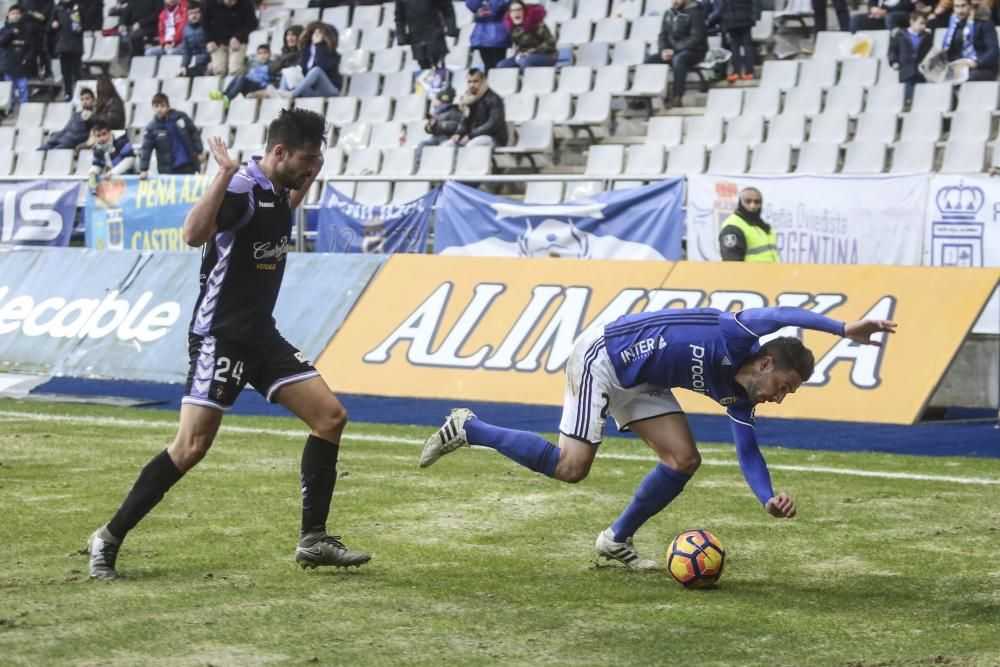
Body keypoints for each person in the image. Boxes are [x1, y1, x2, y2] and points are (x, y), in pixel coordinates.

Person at [86, 108, 370, 580]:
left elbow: (280, 210)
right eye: (306, 157)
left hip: (260, 334)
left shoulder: (277, 189)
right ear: (279, 152)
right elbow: (193, 233)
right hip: (220, 337)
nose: (311, 164)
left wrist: (309, 178)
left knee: (330, 417)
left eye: (317, 158)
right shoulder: (240, 188)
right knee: (191, 446)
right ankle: (108, 537)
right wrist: (222, 176)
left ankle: (313, 540)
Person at [421, 307, 897, 569]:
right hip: (604, 357)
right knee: (572, 468)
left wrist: (767, 497)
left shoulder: (741, 397)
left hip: (644, 381)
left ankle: (615, 541)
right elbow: (780, 313)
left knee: (683, 460)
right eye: (784, 388)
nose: (780, 398)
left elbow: (747, 452)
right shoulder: (737, 335)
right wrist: (842, 328)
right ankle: (468, 426)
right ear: (768, 365)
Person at [644, 0, 707, 107]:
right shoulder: (668, 13)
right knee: (649, 61)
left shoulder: (696, 13)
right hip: (673, 51)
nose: (675, 1)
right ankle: (646, 98)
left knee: (679, 59)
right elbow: (663, 36)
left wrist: (675, 51)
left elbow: (696, 38)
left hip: (695, 51)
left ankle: (677, 97)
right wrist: (663, 50)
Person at [138, 92, 204, 177]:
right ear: (153, 108)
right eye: (156, 106)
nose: (159, 109)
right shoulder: (152, 128)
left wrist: (199, 152)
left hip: (188, 165)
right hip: (168, 169)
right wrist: (144, 169)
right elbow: (146, 149)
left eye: (162, 106)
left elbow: (194, 133)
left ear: (168, 106)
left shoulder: (181, 117)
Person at [443, 68, 507, 148]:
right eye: (469, 82)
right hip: (473, 136)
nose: (472, 85)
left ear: (483, 81)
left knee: (471, 146)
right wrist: (459, 134)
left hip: (494, 138)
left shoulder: (494, 99)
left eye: (475, 81)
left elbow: (493, 124)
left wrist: (471, 135)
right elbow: (465, 122)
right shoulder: (469, 99)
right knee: (447, 146)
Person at [279, 22, 340, 99]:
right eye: (315, 32)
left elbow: (322, 66)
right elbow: (303, 71)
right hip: (314, 92)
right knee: (288, 72)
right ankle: (281, 94)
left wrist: (319, 45)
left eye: (320, 32)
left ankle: (292, 94)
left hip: (330, 90)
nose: (317, 35)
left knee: (316, 70)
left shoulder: (331, 52)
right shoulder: (307, 51)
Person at [940, 0, 999, 81]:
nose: (960, 11)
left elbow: (993, 51)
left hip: (981, 68)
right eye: (957, 6)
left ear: (970, 6)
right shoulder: (954, 27)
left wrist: (977, 63)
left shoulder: (985, 24)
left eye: (963, 6)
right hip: (959, 68)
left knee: (968, 78)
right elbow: (949, 51)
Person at [718, 187, 779, 262]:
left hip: (770, 273)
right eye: (748, 201)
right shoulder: (733, 227)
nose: (752, 206)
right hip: (749, 273)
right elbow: (732, 263)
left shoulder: (761, 226)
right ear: (740, 202)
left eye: (757, 202)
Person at [394, 0, 459, 70]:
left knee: (438, 68)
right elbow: (399, 18)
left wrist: (451, 28)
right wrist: (401, 36)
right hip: (416, 39)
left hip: (435, 37)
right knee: (424, 70)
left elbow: (447, 10)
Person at [495, 1, 557, 70]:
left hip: (546, 55)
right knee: (501, 65)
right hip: (525, 56)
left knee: (524, 61)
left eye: (519, 9)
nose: (516, 12)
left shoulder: (537, 24)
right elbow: (519, 46)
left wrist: (531, 52)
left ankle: (530, 80)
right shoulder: (513, 28)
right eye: (513, 11)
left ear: (524, 11)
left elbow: (550, 42)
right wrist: (518, 55)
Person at [202, 0, 257, 76]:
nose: (231, 2)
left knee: (235, 70)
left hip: (239, 41)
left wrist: (238, 37)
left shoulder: (246, 3)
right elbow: (205, 22)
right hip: (217, 41)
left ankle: (236, 87)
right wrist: (209, 40)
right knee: (218, 70)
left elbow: (252, 23)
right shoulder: (210, 3)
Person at [888, 12, 933, 104]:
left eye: (925, 24)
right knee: (907, 93)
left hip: (920, 72)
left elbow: (930, 53)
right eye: (921, 23)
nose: (924, 26)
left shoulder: (927, 37)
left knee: (920, 95)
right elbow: (892, 50)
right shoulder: (901, 35)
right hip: (906, 70)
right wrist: (894, 61)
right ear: (912, 22)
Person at [710, 0, 760, 81]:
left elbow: (721, 5)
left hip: (733, 17)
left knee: (737, 46)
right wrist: (755, 16)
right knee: (744, 45)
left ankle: (738, 72)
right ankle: (748, 71)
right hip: (742, 17)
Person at [416, 86, 463, 166]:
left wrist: (436, 126)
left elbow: (453, 126)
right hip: (434, 139)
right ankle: (420, 167)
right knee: (422, 144)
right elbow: (428, 128)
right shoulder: (436, 113)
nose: (435, 103)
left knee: (444, 147)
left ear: (443, 100)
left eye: (437, 100)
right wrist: (429, 127)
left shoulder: (455, 111)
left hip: (446, 139)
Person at [0, 5, 33, 108]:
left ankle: (25, 109)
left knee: (23, 88)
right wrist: (11, 32)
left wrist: (26, 58)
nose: (15, 16)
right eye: (13, 13)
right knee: (10, 89)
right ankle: (11, 109)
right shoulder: (4, 29)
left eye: (17, 13)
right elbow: (2, 42)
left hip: (21, 65)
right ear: (8, 15)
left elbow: (31, 47)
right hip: (8, 64)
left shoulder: (26, 29)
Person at [50, 0, 83, 101]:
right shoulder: (57, 8)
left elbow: (85, 22)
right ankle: (68, 93)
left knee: (77, 70)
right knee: (65, 71)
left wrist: (80, 28)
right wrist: (53, 25)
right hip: (62, 44)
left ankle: (80, 93)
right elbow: (51, 25)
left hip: (75, 45)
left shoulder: (78, 7)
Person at [88, 120, 136, 189]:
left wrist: (112, 173)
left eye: (104, 134)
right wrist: (92, 173)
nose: (102, 138)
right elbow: (97, 164)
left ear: (110, 132)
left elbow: (130, 160)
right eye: (98, 136)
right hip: (118, 178)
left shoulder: (121, 141)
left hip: (133, 176)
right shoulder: (97, 149)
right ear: (95, 137)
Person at [464, 0, 510, 71]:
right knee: (487, 67)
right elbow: (471, 4)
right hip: (480, 34)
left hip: (498, 33)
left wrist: (487, 4)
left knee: (498, 67)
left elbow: (499, 6)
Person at [176, 1, 209, 77]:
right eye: (191, 13)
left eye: (196, 13)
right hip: (199, 64)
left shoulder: (209, 27)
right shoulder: (186, 30)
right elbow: (186, 51)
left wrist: (214, 61)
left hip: (212, 63)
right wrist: (183, 66)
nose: (193, 16)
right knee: (181, 74)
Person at [850, 0, 915, 32]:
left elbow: (909, 5)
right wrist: (873, 8)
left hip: (902, 16)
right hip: (880, 16)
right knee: (856, 19)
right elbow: (872, 3)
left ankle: (894, 51)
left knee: (891, 17)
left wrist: (886, 11)